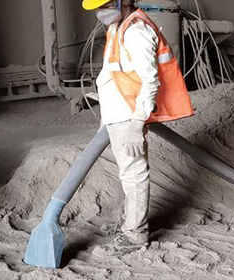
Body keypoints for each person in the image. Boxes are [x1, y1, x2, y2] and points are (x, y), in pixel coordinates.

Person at [82, 0, 193, 256]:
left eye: (105, 6)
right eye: (97, 8)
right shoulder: (116, 28)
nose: (99, 13)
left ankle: (134, 235)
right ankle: (128, 224)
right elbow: (112, 74)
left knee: (134, 173)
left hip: (128, 115)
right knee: (127, 175)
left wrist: (136, 124)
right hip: (116, 111)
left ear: (123, 2)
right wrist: (105, 115)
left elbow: (150, 82)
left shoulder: (137, 32)